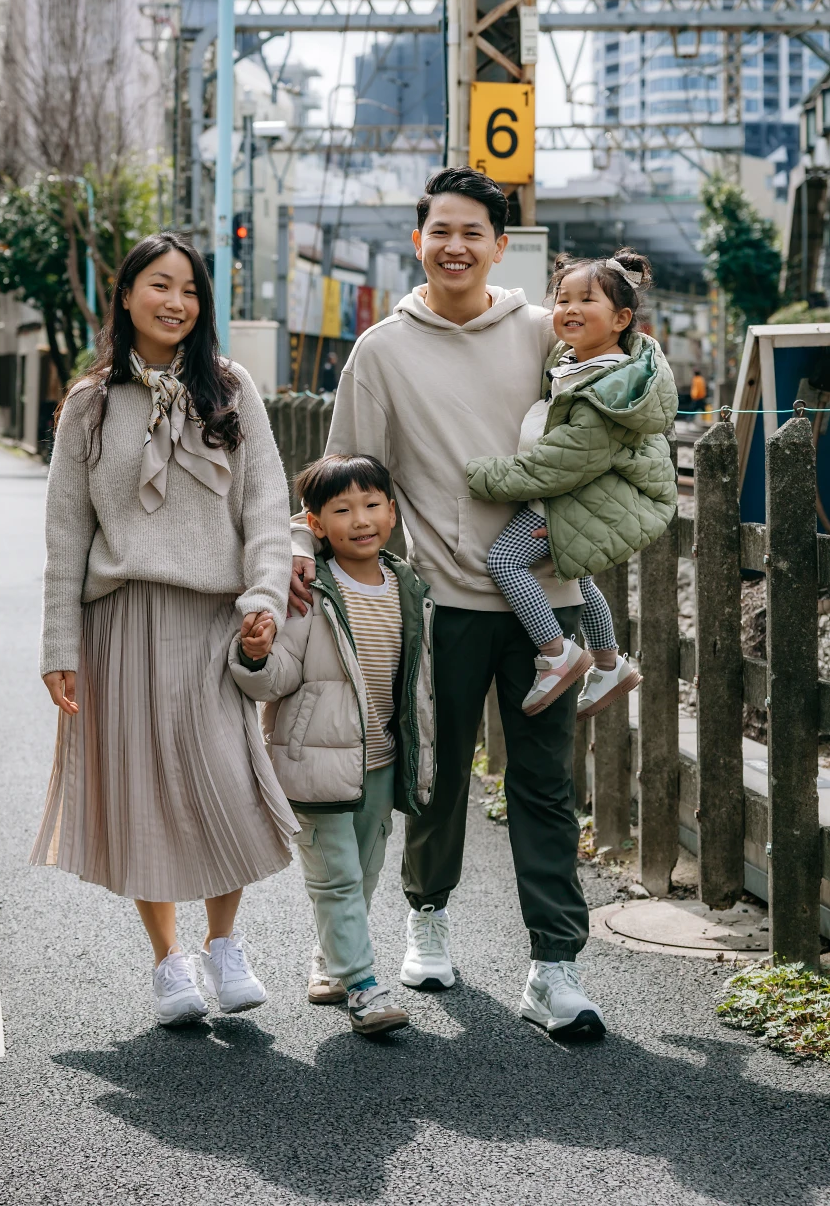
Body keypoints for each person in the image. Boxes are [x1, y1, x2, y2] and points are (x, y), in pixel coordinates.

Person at [290, 167, 606, 1040]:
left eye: (474, 231)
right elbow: (344, 479)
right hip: (441, 604)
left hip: (550, 601)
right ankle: (425, 920)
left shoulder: (547, 334)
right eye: (440, 232)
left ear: (501, 245)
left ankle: (554, 966)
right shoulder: (381, 351)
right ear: (418, 241)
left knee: (545, 784)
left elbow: (613, 414)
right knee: (435, 775)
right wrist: (298, 560)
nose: (455, 246)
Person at [33, 231, 298, 1028]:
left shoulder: (231, 387)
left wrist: (265, 597)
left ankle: (224, 945)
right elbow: (64, 533)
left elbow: (265, 505)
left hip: (214, 620)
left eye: (188, 289)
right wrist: (57, 646)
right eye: (158, 284)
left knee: (226, 780)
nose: (175, 301)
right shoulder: (88, 403)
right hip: (116, 621)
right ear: (125, 295)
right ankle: (168, 962)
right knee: (142, 790)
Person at [230, 453, 435, 1037]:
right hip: (314, 761)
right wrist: (255, 653)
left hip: (380, 761)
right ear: (315, 524)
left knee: (365, 873)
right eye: (342, 510)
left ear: (393, 513)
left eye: (372, 505)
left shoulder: (408, 586)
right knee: (337, 878)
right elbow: (276, 680)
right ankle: (365, 988)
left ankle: (330, 961)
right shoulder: (307, 594)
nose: (360, 519)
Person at [468, 250, 678, 724]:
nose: (569, 310)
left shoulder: (608, 384)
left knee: (505, 560)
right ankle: (608, 664)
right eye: (562, 300)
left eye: (587, 300)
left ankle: (558, 653)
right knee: (577, 576)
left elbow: (562, 463)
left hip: (565, 495)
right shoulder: (582, 360)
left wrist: (479, 475)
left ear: (622, 319)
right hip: (580, 495)